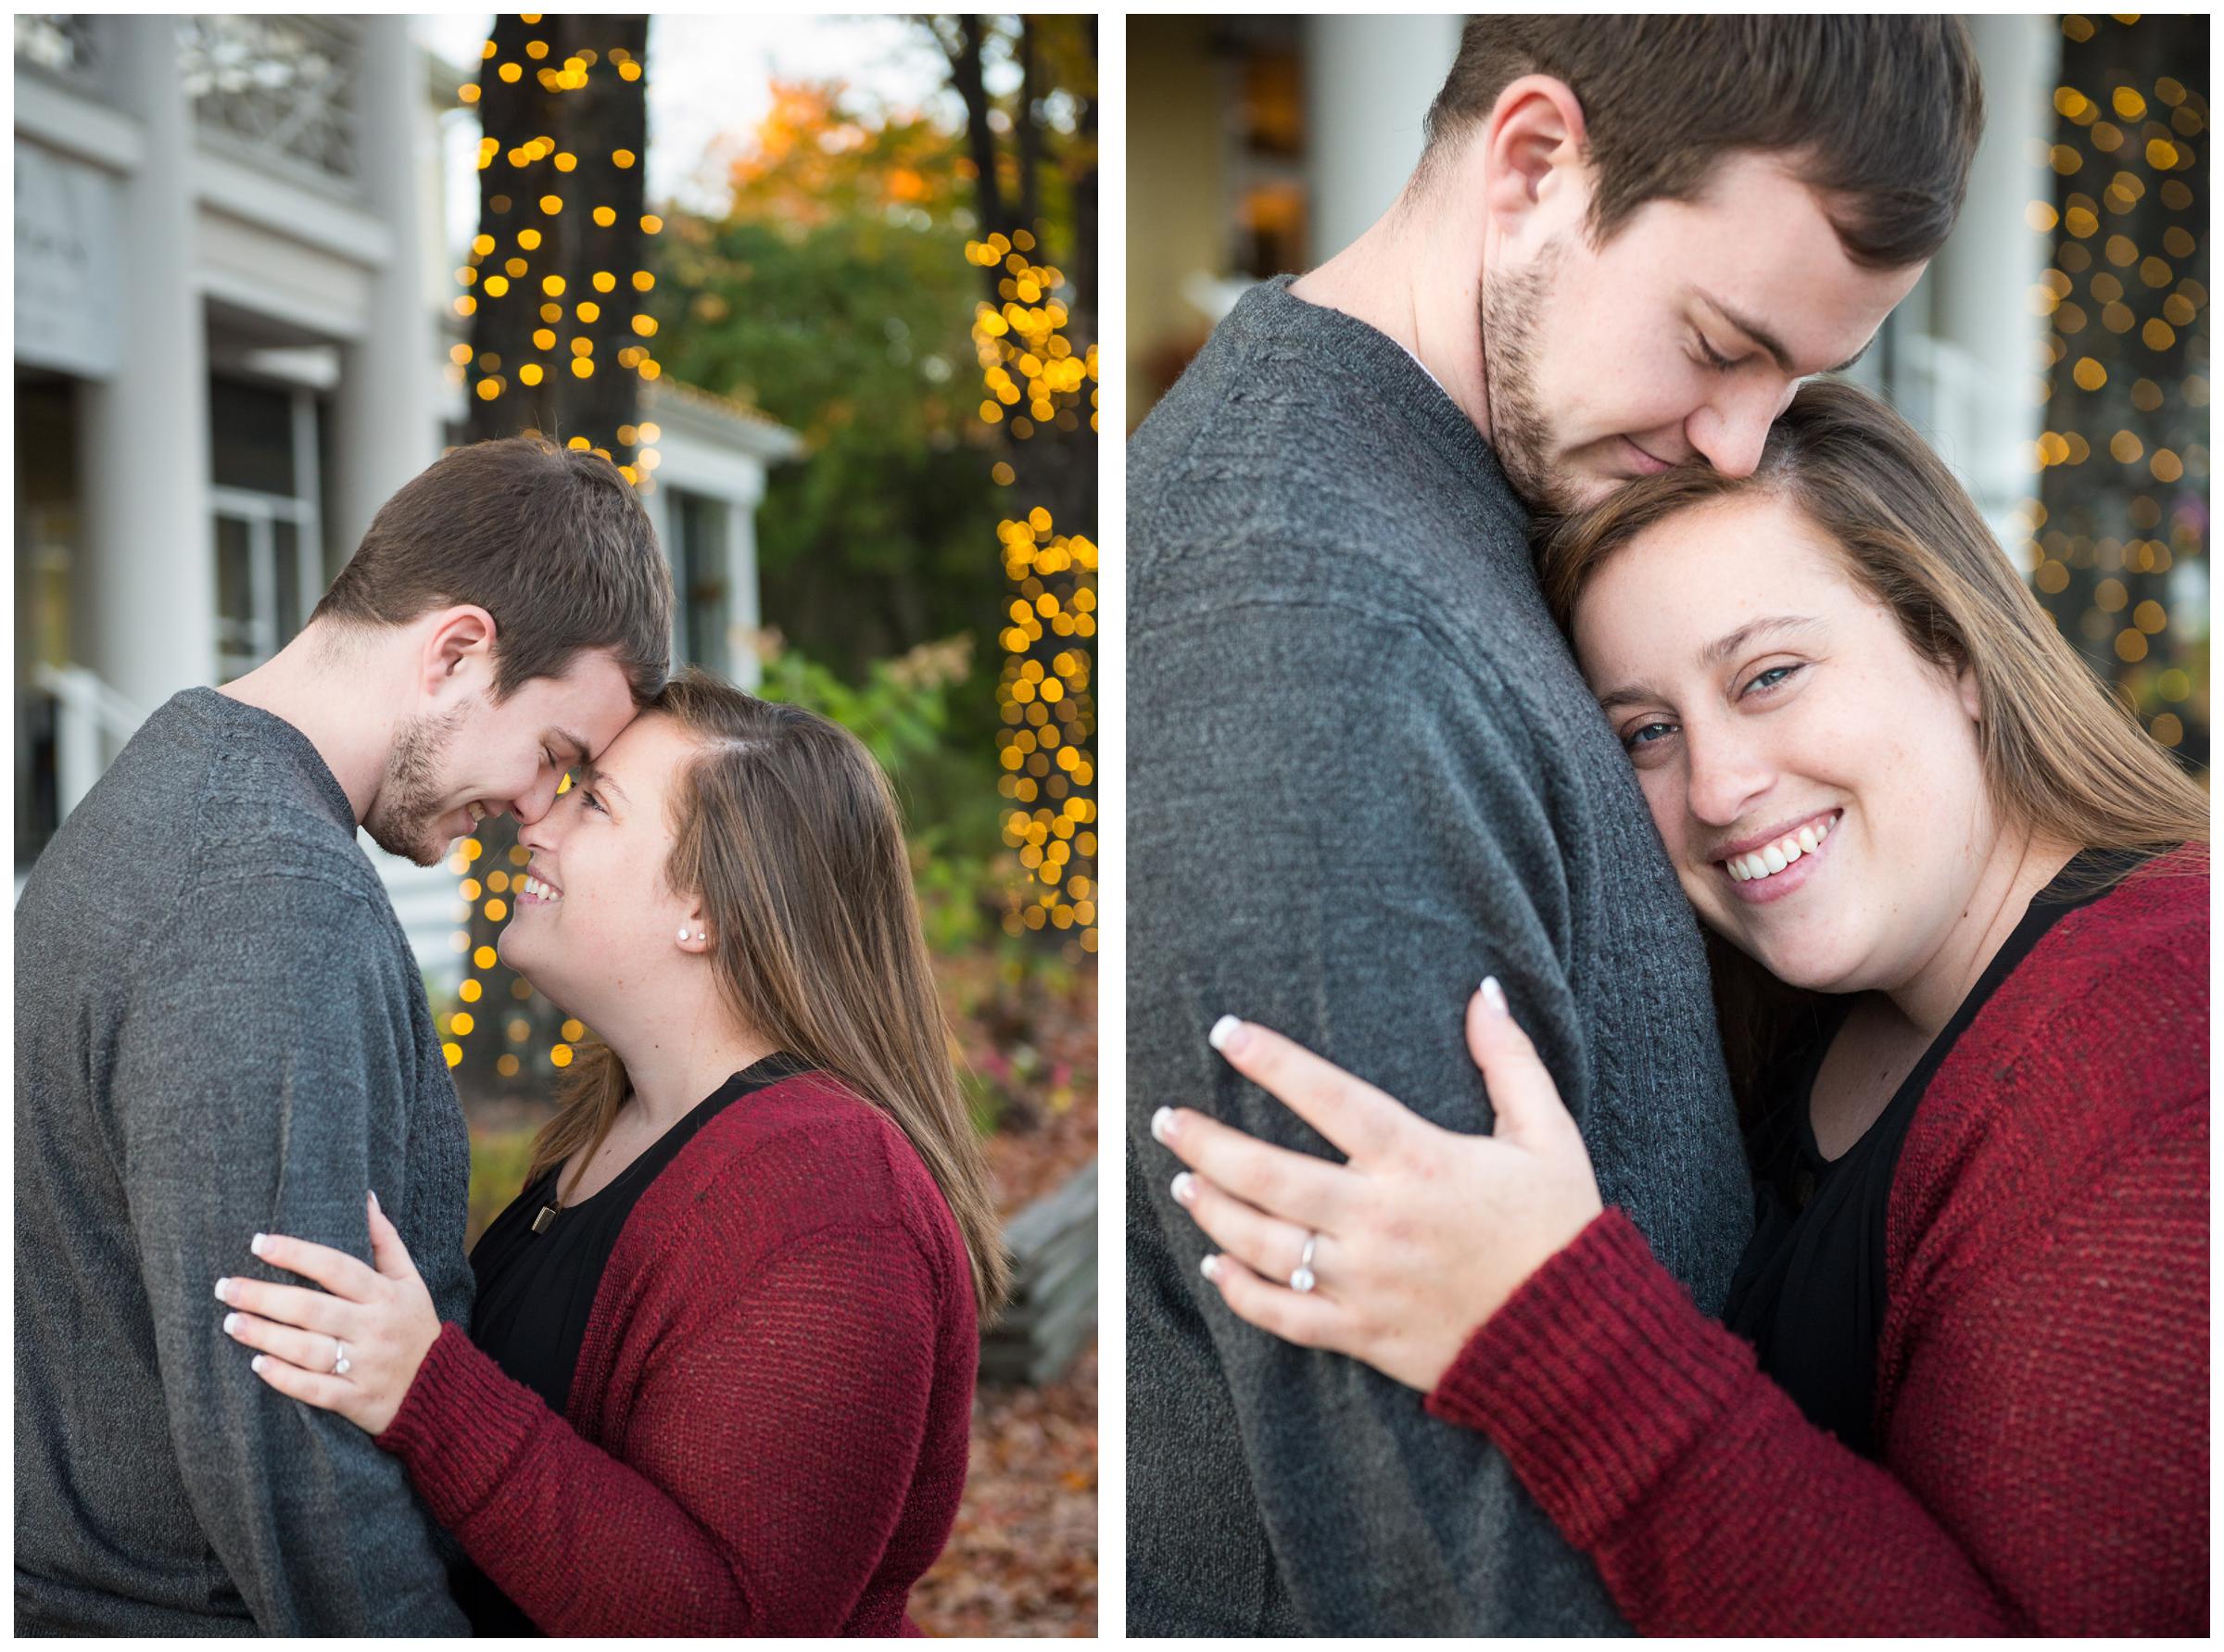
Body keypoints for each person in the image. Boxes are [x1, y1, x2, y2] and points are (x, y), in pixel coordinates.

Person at [1127, 17, 1983, 1635]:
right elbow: (1422, 1538)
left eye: (1796, 380)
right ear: (1532, 163)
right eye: (1722, 341)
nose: (1742, 441)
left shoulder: (1467, 510)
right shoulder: (1326, 638)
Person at [1156, 380, 2208, 1634]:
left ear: (1954, 650)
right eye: (1646, 732)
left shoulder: (2163, 1039)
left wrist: (1552, 1325)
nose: (1716, 785)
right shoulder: (1805, 1012)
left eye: (1768, 674)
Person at [15, 434, 672, 1634]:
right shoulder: (270, 896)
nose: (536, 808)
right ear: (458, 650)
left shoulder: (167, 779)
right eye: (556, 755)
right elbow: (283, 1426)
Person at [210, 671, 1009, 1636]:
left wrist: (427, 1388)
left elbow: (734, 1620)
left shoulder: (827, 1191)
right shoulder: (620, 1126)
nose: (537, 820)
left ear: (707, 910)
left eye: (594, 801)